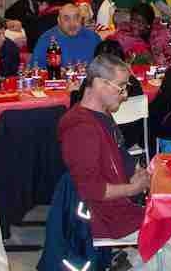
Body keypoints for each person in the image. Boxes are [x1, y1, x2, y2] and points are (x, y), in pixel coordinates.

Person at [59, 54, 150, 241]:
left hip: (122, 204)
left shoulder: (101, 114)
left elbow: (119, 154)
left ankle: (130, 262)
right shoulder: (81, 128)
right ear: (100, 84)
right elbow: (92, 189)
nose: (125, 95)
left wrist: (137, 170)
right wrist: (133, 189)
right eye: (121, 87)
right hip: (107, 216)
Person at [30, 3, 102, 68]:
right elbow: (35, 69)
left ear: (81, 19)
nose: (72, 23)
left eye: (76, 18)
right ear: (59, 21)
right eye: (66, 19)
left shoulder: (93, 38)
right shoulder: (46, 40)